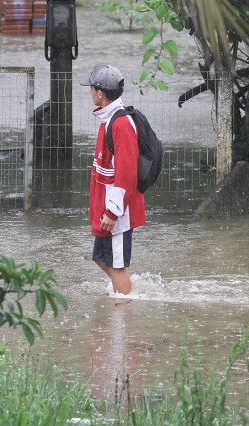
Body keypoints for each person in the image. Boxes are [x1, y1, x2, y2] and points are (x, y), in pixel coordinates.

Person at [80, 64, 146, 295]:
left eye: (91, 88)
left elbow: (127, 174)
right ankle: (128, 291)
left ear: (100, 93)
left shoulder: (120, 124)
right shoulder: (109, 119)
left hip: (118, 210)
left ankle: (122, 318)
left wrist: (113, 212)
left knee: (117, 266)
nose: (89, 92)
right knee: (101, 258)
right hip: (108, 205)